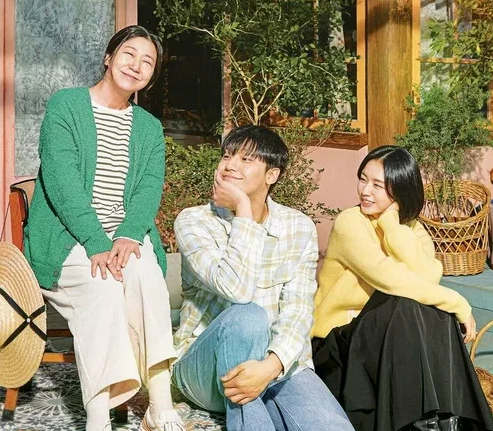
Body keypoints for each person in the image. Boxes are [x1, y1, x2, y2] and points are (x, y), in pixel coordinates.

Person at [23, 25, 184, 431]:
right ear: (108, 58)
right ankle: (99, 420)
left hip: (125, 236)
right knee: (104, 286)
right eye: (129, 54)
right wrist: (96, 241)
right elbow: (61, 181)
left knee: (146, 277)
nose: (136, 65)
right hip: (69, 237)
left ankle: (160, 407)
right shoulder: (66, 105)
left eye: (148, 62)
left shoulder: (149, 127)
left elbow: (149, 187)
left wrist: (129, 234)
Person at [171, 125, 355, 431]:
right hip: (203, 368)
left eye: (245, 159)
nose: (230, 165)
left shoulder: (298, 227)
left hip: (276, 365)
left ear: (272, 175)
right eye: (227, 156)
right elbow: (237, 289)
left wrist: (271, 366)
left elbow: (298, 310)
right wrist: (243, 210)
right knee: (248, 316)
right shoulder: (195, 221)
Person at [311, 145, 493, 431]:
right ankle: (426, 423)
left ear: (400, 190)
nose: (365, 191)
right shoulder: (350, 222)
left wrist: (391, 225)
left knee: (428, 309)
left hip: (388, 334)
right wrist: (459, 303)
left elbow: (427, 277)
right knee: (405, 302)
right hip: (339, 341)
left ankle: (444, 420)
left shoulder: (411, 228)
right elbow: (390, 278)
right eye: (363, 179)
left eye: (378, 185)